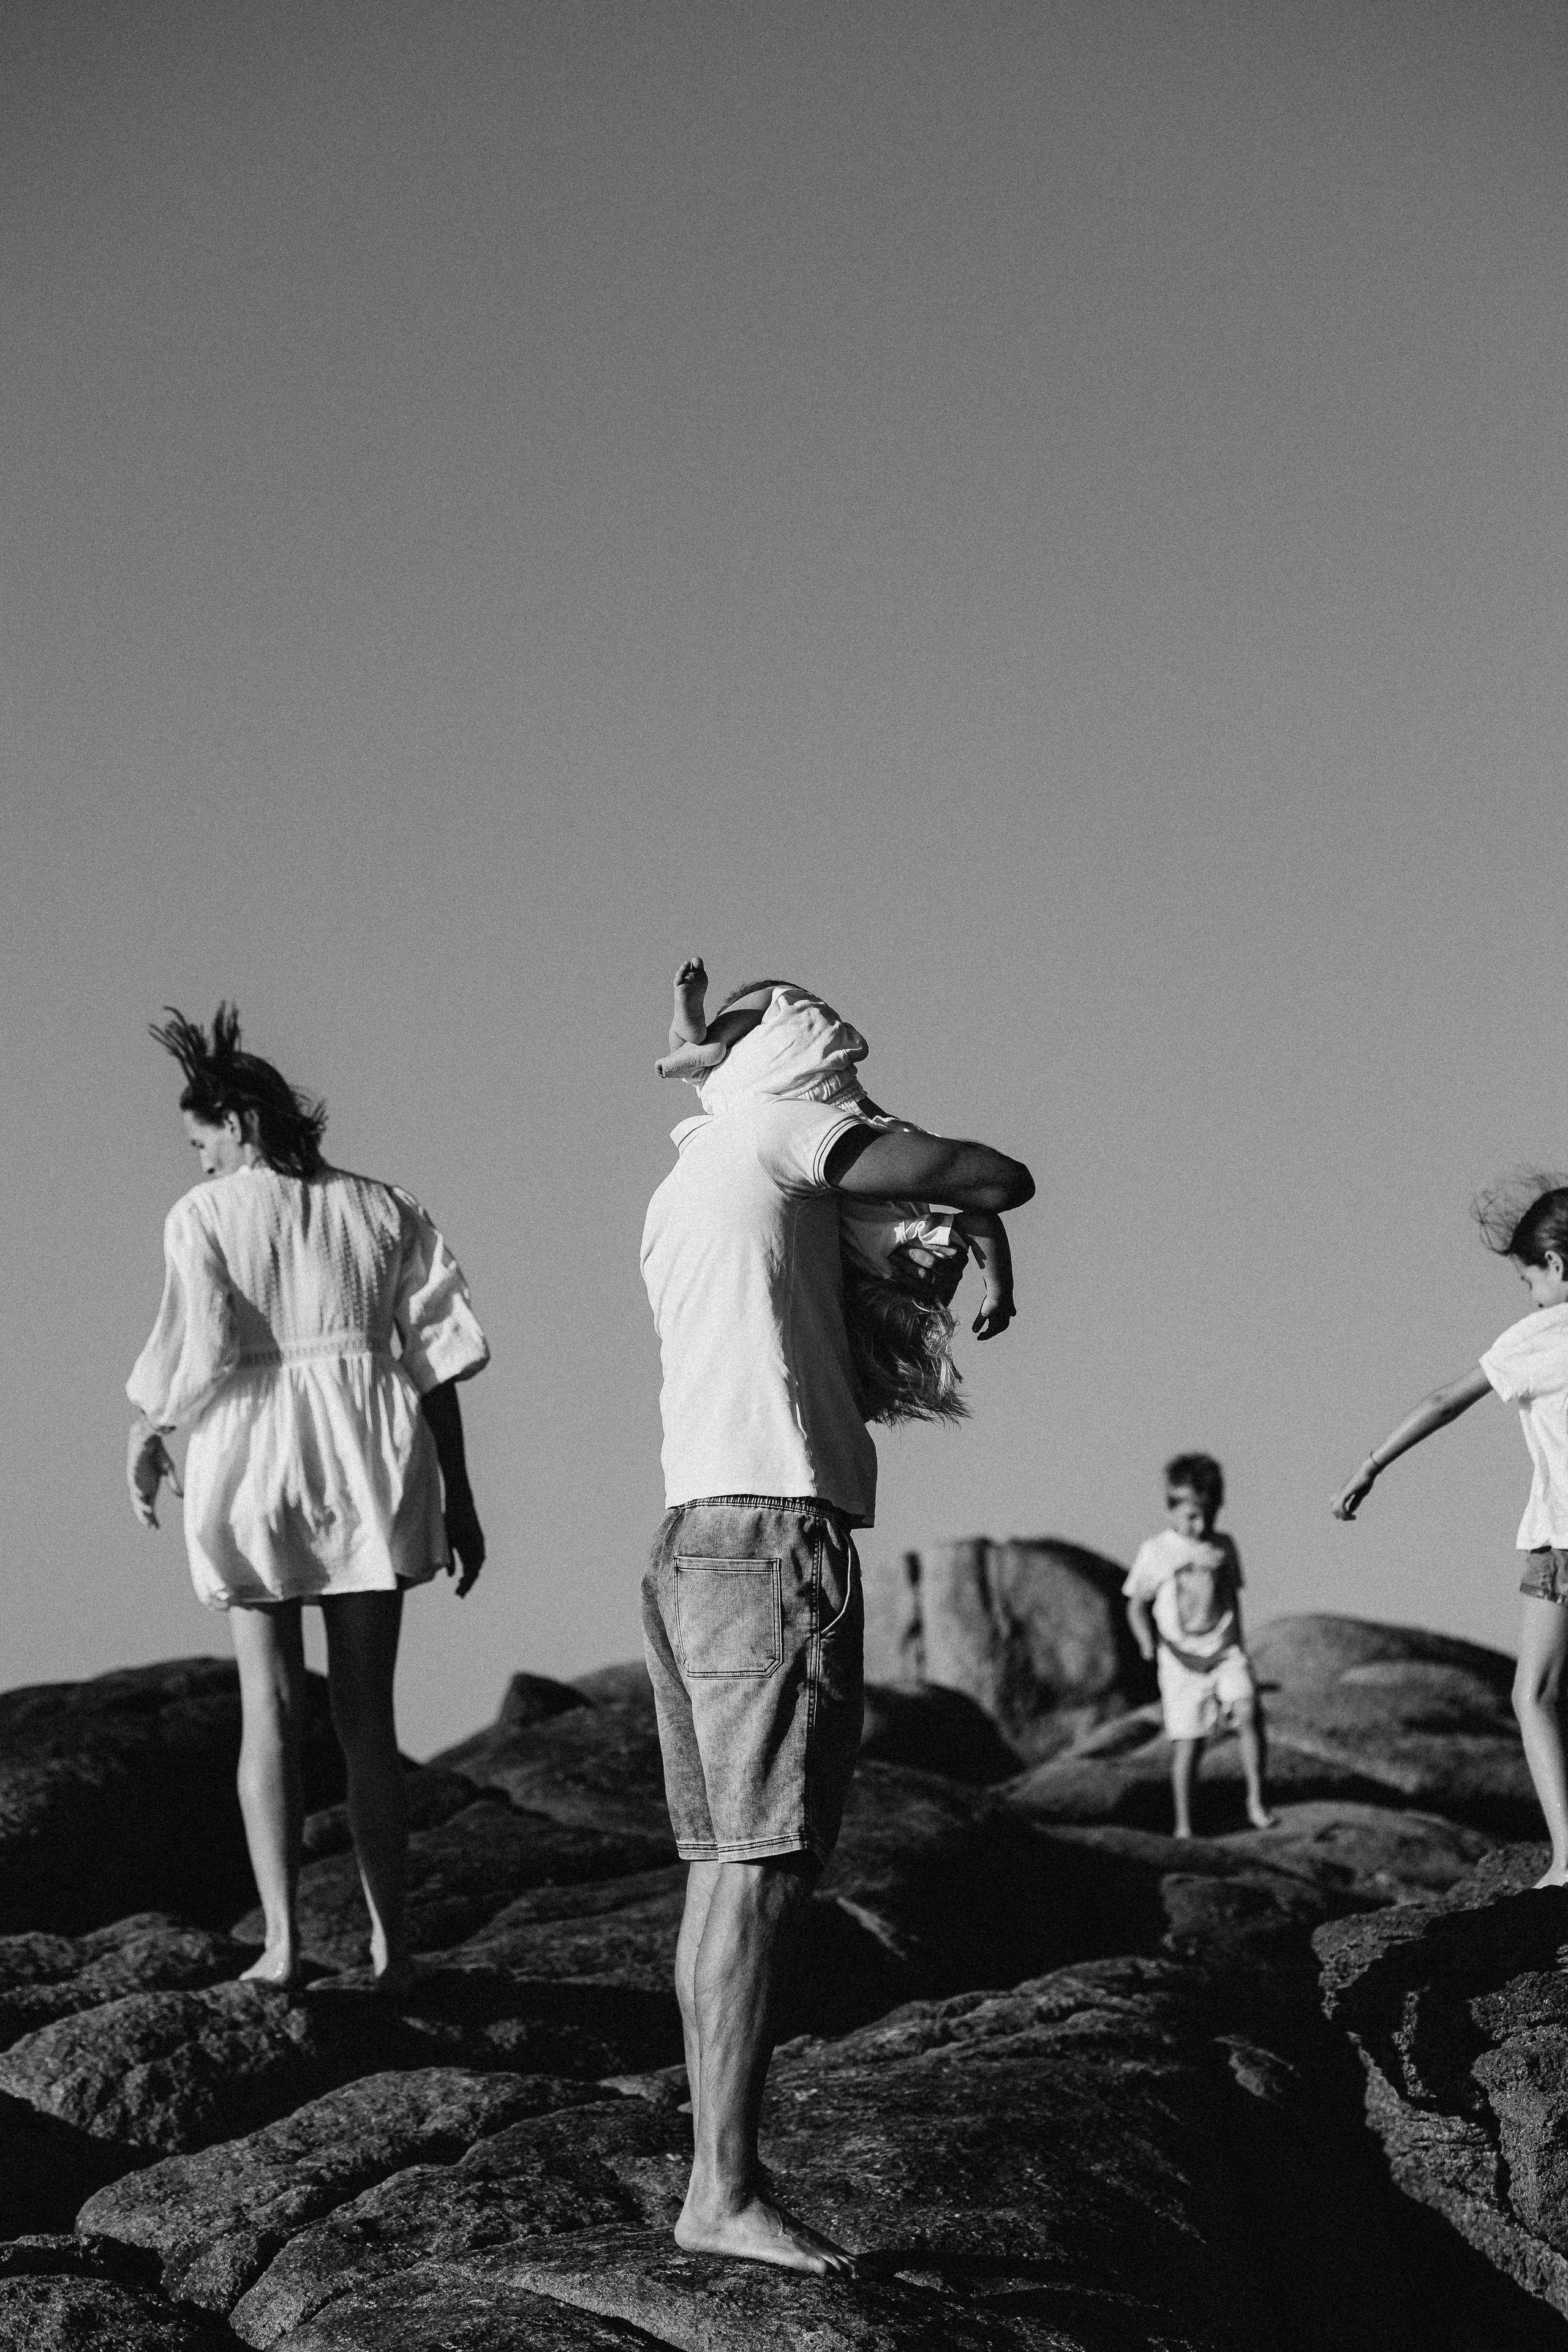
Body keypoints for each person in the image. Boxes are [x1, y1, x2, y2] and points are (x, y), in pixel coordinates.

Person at [641, 962, 1034, 2275]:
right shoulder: (781, 1132)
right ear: (804, 1063)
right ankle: (721, 2191)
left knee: (722, 1868)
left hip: (692, 1535)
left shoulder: (693, 1179)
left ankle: (712, 2178)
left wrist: (939, 1239)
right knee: (762, 1873)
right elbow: (996, 1169)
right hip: (774, 1537)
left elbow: (845, 1293)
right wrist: (959, 1202)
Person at [126, 1005, 489, 1990]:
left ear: (236, 1126)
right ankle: (394, 1948)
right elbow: (436, 1365)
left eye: (200, 1143)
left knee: (269, 1708)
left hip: (255, 1463)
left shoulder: (203, 1217)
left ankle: (283, 1947)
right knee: (369, 1717)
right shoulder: (387, 1207)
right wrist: (461, 1501)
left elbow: (197, 1352)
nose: (198, 1164)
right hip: (372, 1458)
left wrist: (150, 1426)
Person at [1332, 1178, 1568, 1888]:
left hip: (1563, 1542)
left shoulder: (1540, 1336)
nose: (1528, 1294)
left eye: (1527, 1278)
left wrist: (1370, 1464)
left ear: (1556, 1266)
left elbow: (1444, 1401)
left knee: (1536, 1695)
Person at [658, 957, 1017, 1421]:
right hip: (809, 1100)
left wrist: (998, 1293)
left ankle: (700, 1035)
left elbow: (978, 1219)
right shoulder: (878, 1251)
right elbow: (998, 1195)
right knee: (751, 1021)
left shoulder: (905, 1244)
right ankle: (696, 1037)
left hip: (796, 1088)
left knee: (750, 1020)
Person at [1125, 1453, 1274, 1839]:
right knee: (1189, 1744)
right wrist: (1145, 1643)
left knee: (1248, 1714)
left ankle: (1256, 1802)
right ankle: (1184, 1826)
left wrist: (1239, 1644)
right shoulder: (1156, 1552)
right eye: (1192, 1516)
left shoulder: (1225, 1546)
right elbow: (1136, 1604)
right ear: (1171, 1509)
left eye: (1209, 1514)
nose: (1202, 1525)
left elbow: (1232, 1597)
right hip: (1180, 1660)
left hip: (1225, 1652)